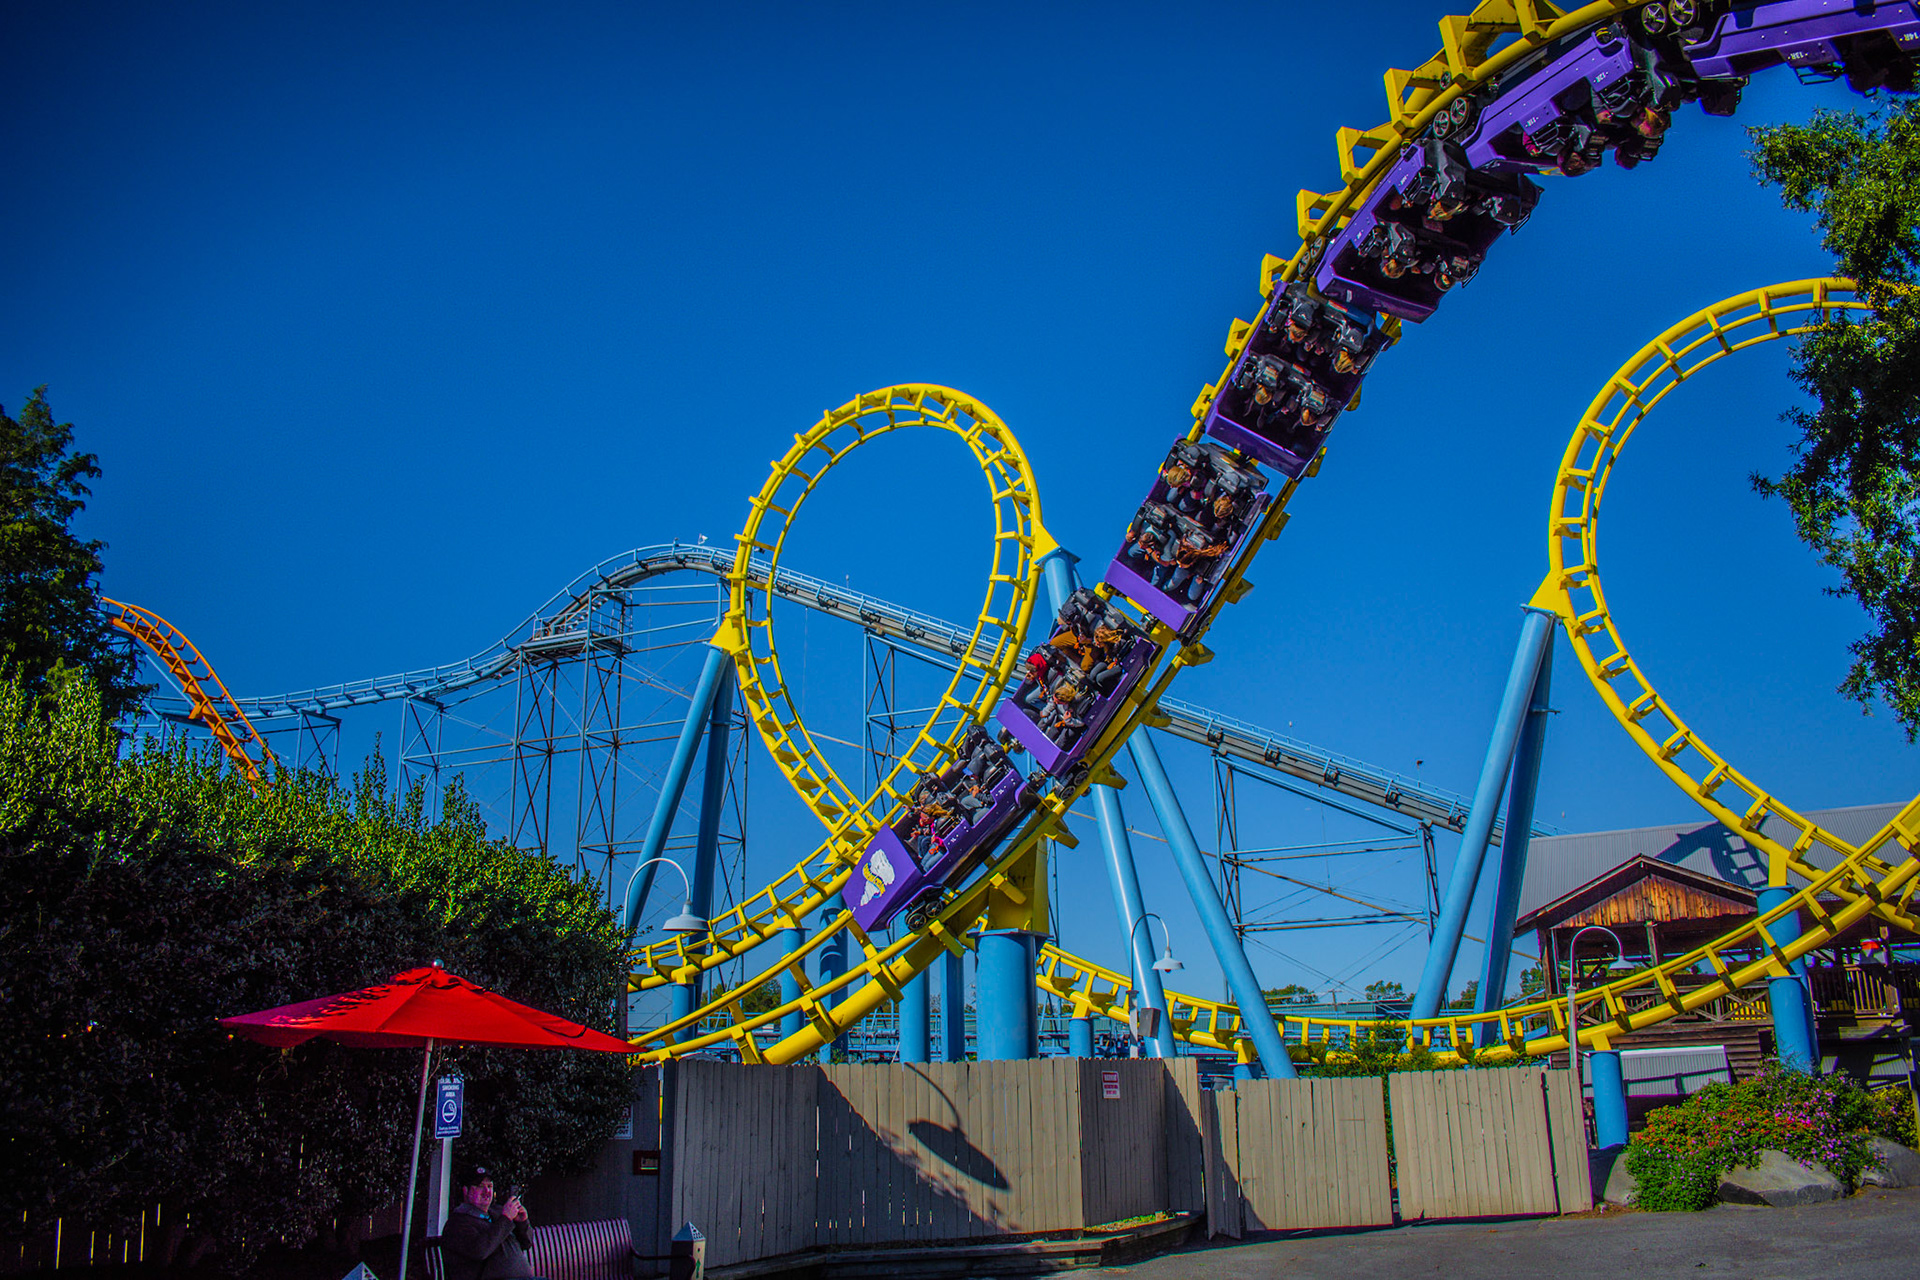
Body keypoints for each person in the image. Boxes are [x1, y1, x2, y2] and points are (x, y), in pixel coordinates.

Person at [441, 1165, 545, 1280]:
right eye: (480, 1187)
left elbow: (527, 1243)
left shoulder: (496, 1212)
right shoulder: (458, 1223)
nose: (487, 1192)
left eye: (490, 1186)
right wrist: (506, 1219)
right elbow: (480, 1251)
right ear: (466, 1191)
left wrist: (522, 1223)